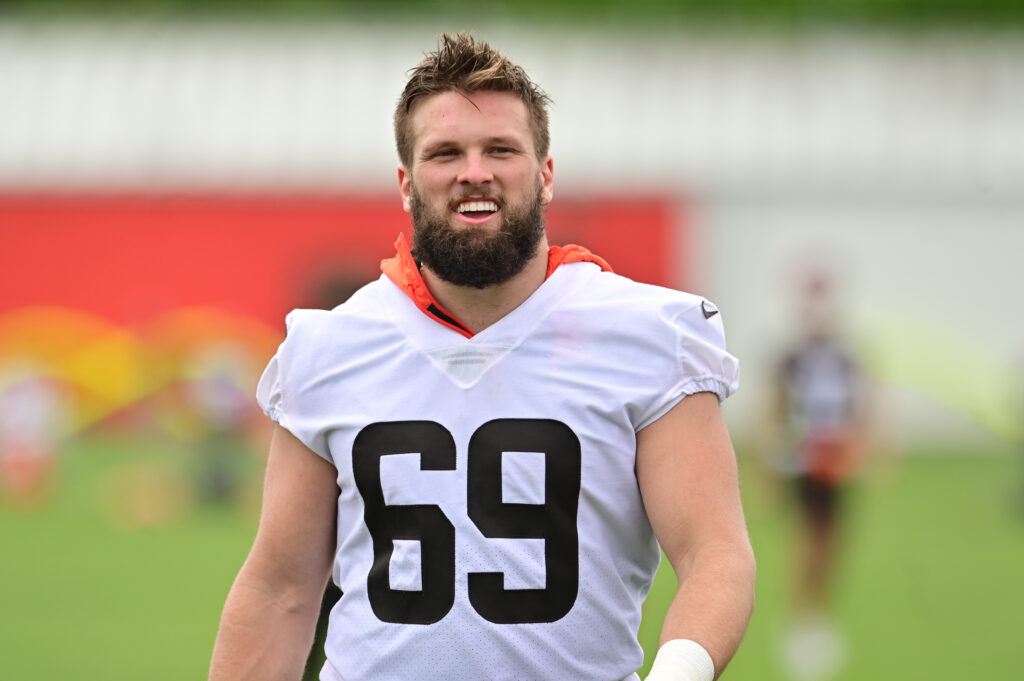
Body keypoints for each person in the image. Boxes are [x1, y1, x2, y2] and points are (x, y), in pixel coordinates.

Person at [209, 33, 755, 681]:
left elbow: (713, 553)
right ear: (408, 185)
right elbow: (280, 588)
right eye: (446, 153)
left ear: (545, 174)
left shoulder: (647, 333)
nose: (475, 171)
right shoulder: (332, 346)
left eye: (501, 148)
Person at [769, 270, 868, 680]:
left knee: (832, 541)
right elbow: (776, 406)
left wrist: (860, 448)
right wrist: (772, 464)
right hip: (805, 460)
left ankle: (819, 617)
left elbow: (861, 405)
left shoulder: (845, 357)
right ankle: (798, 621)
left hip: (837, 461)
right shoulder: (792, 357)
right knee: (806, 540)